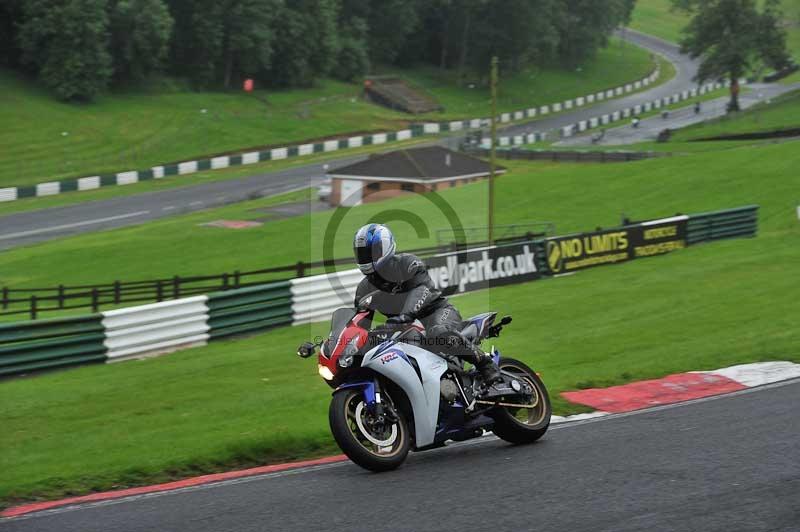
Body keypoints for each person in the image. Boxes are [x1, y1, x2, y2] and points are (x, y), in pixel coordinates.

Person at [352, 223, 502, 387]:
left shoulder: (408, 263)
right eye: (362, 253)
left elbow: (421, 290)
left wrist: (403, 317)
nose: (366, 257)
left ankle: (485, 364)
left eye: (370, 252)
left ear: (385, 247)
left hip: (437, 312)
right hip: (404, 327)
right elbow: (359, 323)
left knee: (439, 332)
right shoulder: (364, 289)